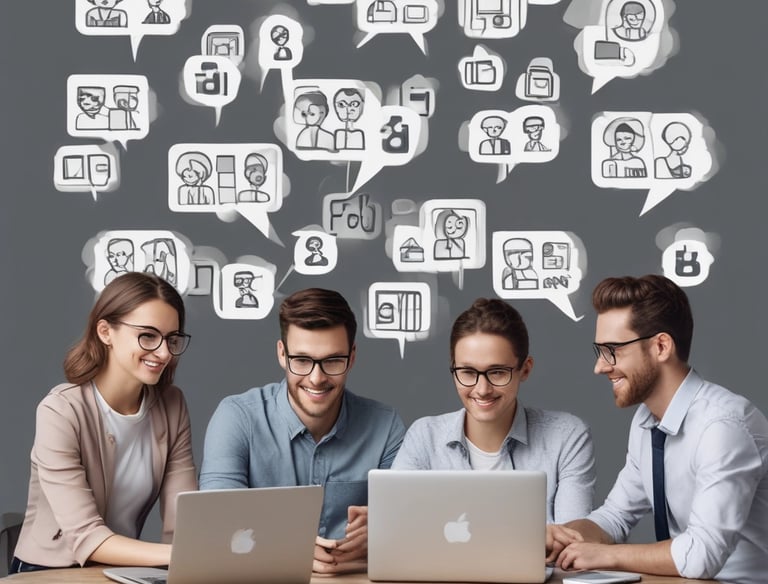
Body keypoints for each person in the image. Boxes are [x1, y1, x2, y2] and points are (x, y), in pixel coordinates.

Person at [547, 275, 768, 584]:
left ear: (661, 346)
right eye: (599, 351)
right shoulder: (645, 420)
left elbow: (702, 555)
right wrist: (566, 537)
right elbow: (615, 516)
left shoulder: (722, 427)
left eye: (612, 350)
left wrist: (606, 555)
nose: (600, 367)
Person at [200, 288, 405, 574]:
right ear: (282, 354)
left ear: (353, 356)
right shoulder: (237, 417)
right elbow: (216, 519)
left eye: (333, 361)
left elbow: (405, 526)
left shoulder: (385, 426)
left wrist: (383, 528)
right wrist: (288, 546)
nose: (316, 378)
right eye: (302, 361)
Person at [12, 273, 195, 573]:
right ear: (105, 331)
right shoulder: (60, 411)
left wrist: (196, 557)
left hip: (122, 571)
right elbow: (88, 538)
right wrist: (182, 555)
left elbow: (181, 518)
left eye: (172, 339)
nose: (164, 353)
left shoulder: (172, 406)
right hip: (49, 571)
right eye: (148, 335)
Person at [393, 298, 596, 524]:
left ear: (525, 369)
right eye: (468, 372)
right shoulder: (424, 436)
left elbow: (574, 543)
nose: (482, 390)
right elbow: (401, 530)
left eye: (497, 372)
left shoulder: (566, 436)